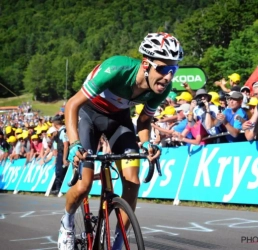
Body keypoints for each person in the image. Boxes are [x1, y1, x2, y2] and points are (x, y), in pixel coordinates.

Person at [58, 32, 183, 250]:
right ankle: (67, 223)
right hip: (88, 115)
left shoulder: (163, 88)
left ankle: (117, 242)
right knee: (84, 185)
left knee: (132, 181)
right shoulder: (117, 68)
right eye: (163, 69)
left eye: (174, 70)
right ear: (146, 64)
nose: (168, 77)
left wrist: (146, 144)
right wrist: (75, 142)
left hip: (119, 121)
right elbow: (72, 105)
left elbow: (144, 121)